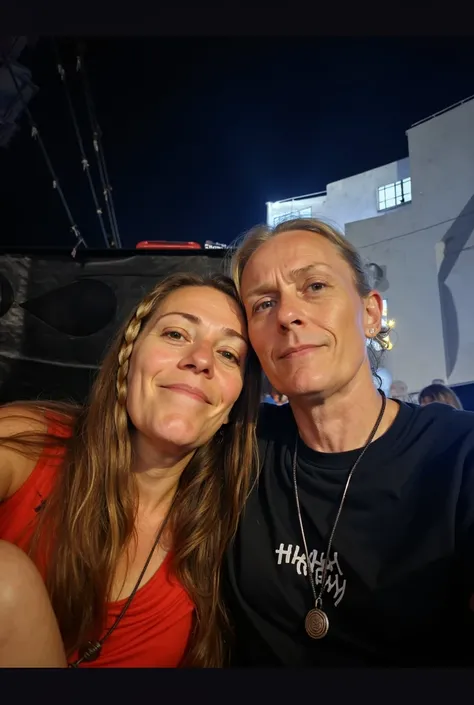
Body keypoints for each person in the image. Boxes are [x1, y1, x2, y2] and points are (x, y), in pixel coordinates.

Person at [224, 217, 474, 667]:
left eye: (315, 286)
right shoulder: (239, 447)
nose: (287, 315)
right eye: (263, 304)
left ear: (372, 313)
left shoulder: (458, 454)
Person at [0, 272, 261, 668]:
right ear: (128, 359)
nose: (202, 359)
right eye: (176, 334)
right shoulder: (28, 443)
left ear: (230, 409)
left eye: (228, 354)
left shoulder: (224, 538)